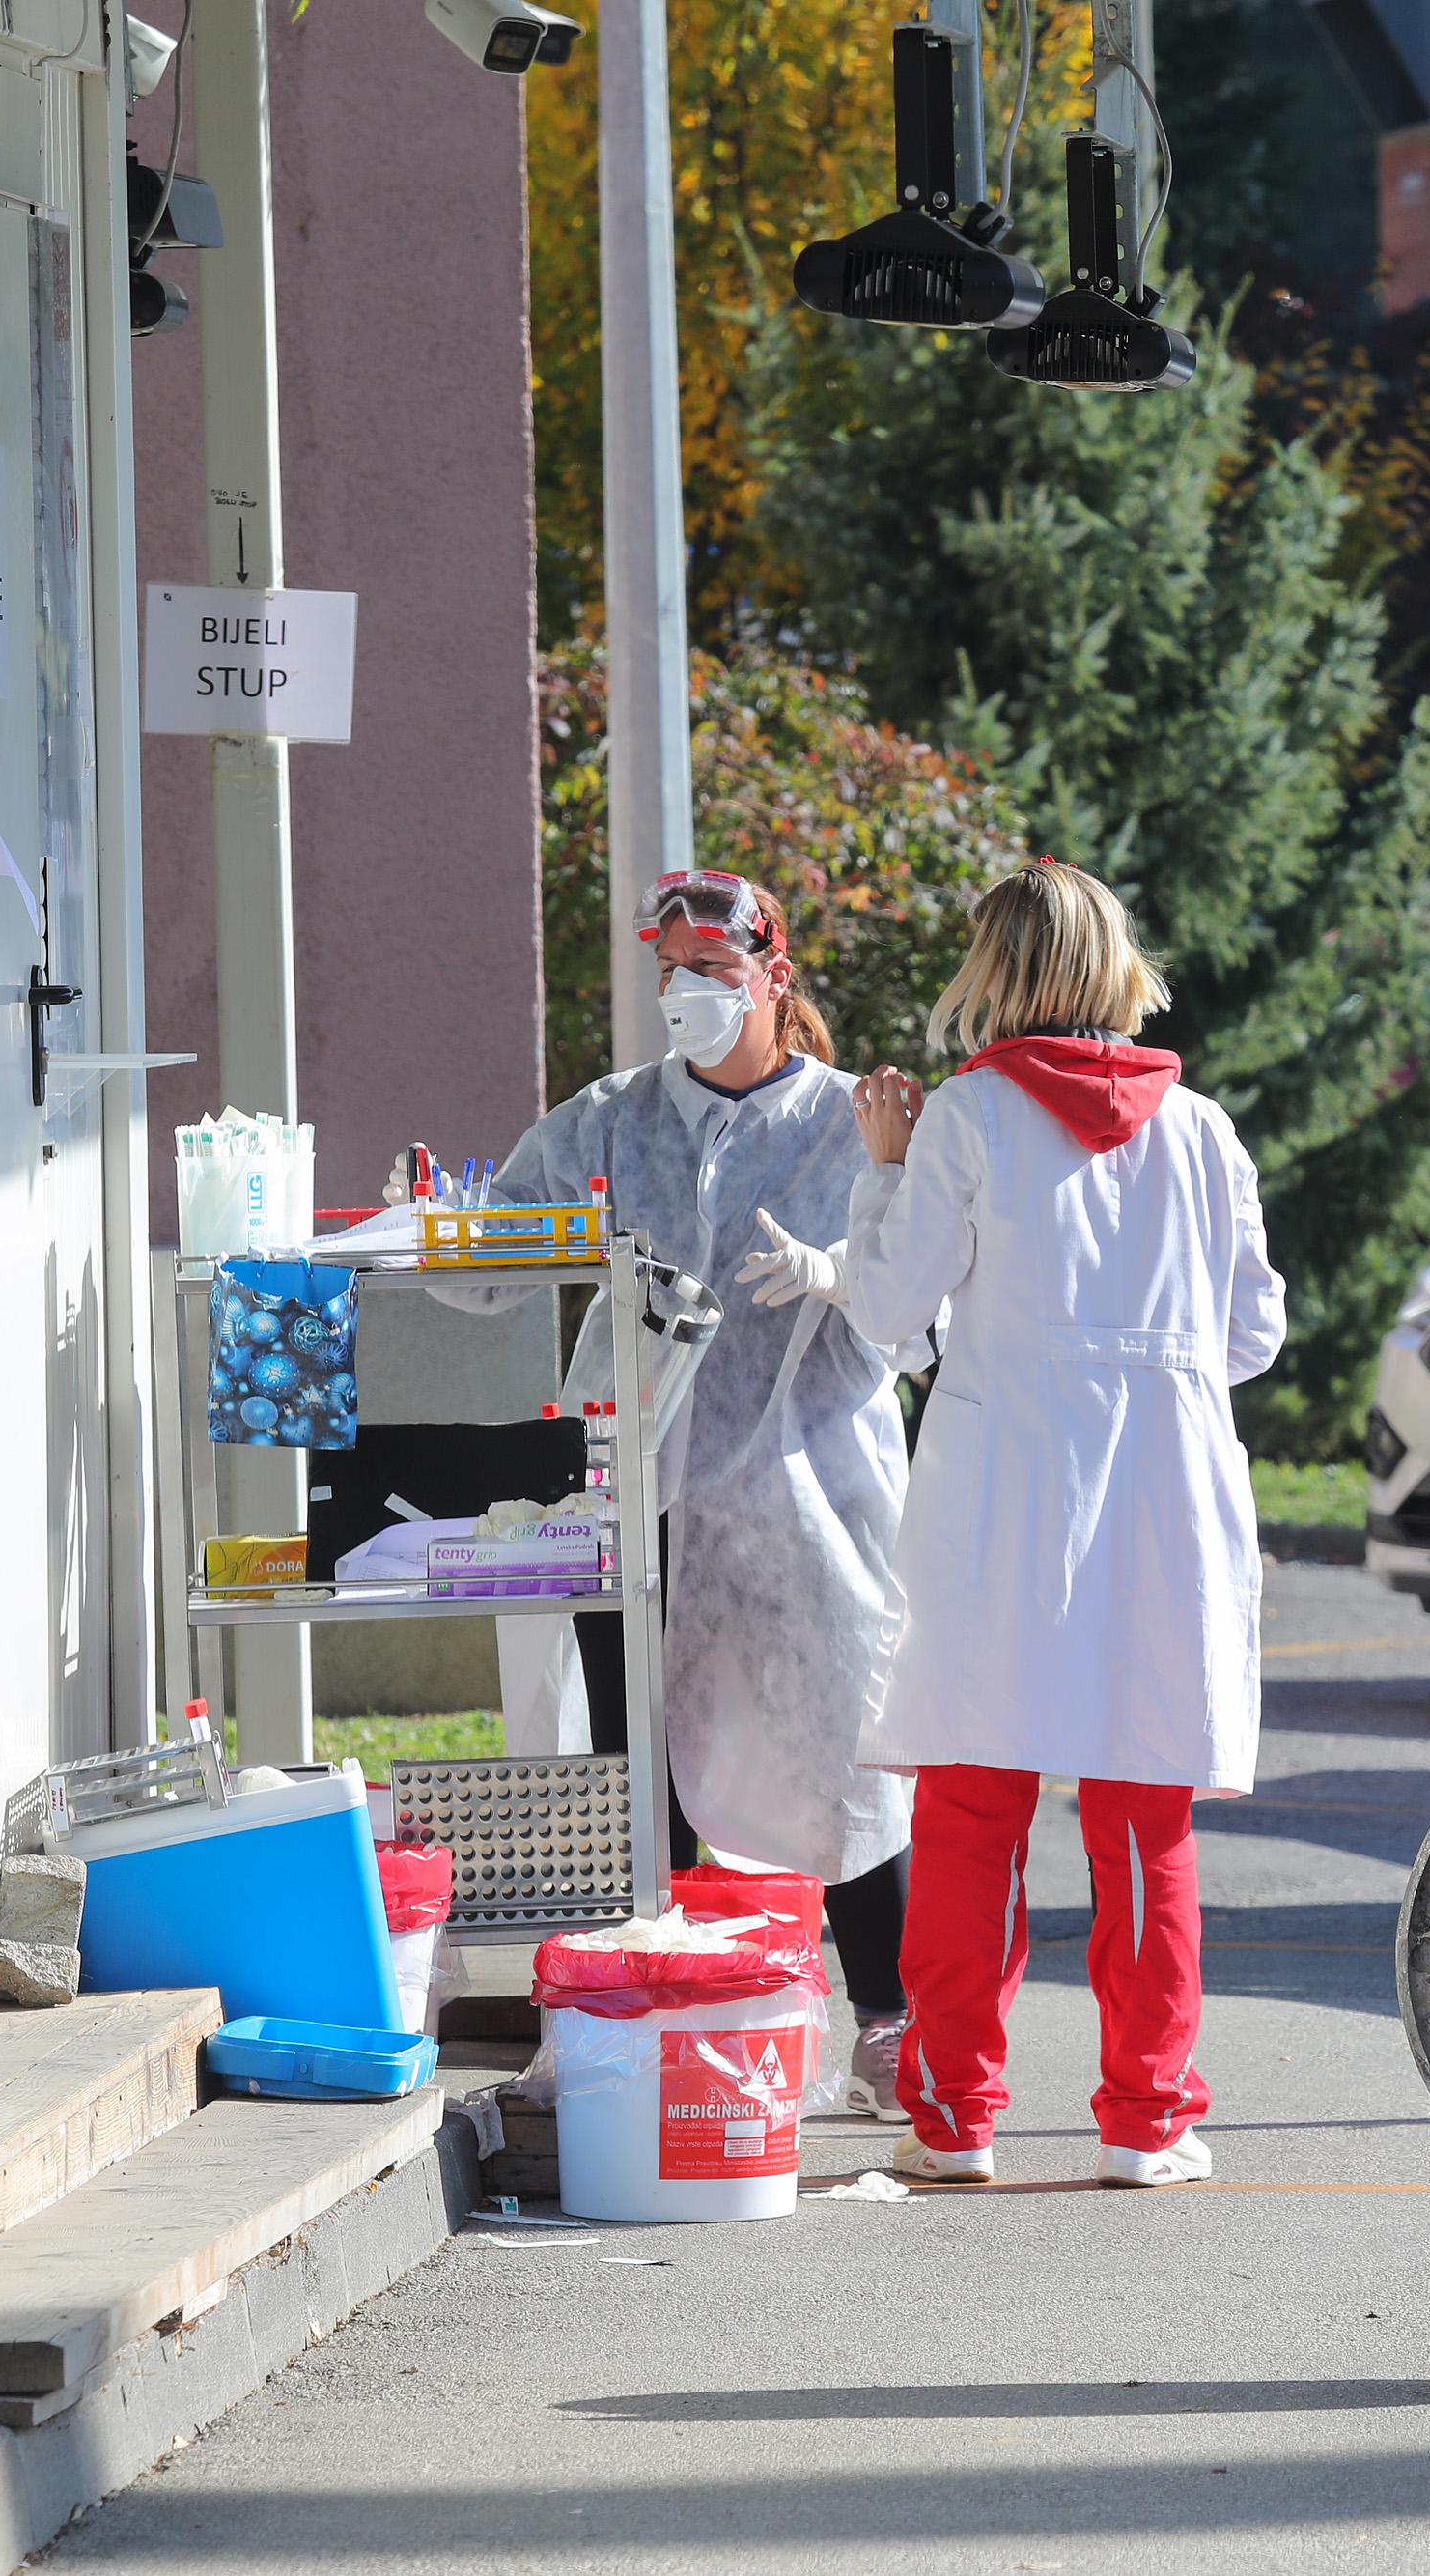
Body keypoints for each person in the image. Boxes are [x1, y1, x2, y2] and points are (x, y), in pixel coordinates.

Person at [837, 863, 1287, 2189]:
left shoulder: (967, 1118)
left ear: (993, 971)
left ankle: (952, 2117)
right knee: (1146, 1820)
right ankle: (1148, 2120)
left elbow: (886, 1309)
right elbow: (1254, 1334)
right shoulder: (1201, 1130)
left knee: (971, 1812)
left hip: (1004, 1499)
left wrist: (882, 1173)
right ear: (1118, 966)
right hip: (1163, 1496)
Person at [463, 869, 923, 2116]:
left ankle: (888, 2019)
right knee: (642, 1763)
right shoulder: (609, 1122)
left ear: (775, 977)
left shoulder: (850, 1123)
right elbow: (489, 1263)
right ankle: (651, 2011)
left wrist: (837, 1272)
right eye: (671, 973)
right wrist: (433, 1228)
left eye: (714, 972)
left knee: (839, 1751)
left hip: (806, 1493)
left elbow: (923, 1304)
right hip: (638, 1485)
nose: (687, 995)